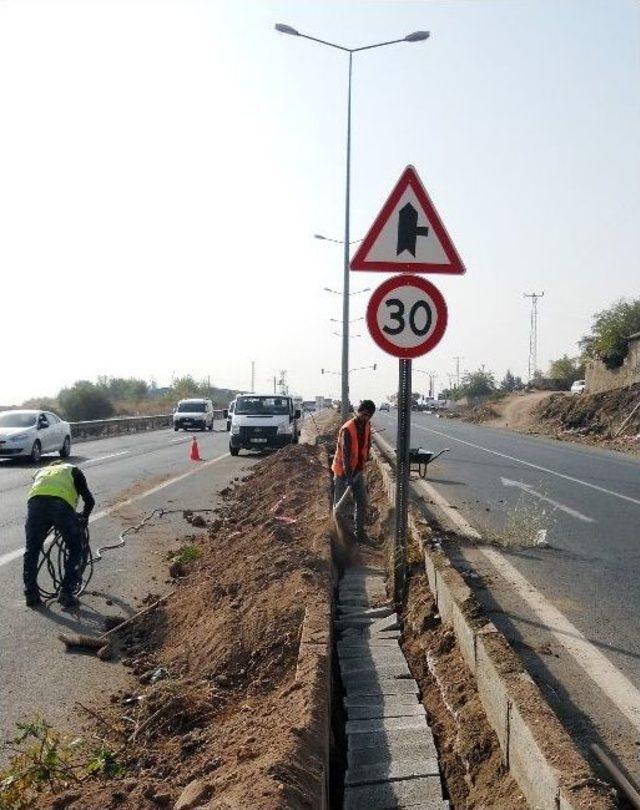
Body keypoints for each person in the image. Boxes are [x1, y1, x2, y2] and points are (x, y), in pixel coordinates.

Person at [23, 461, 95, 609]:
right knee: (76, 548)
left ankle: (31, 594)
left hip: (35, 506)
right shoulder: (73, 471)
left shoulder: (41, 472)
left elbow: (44, 496)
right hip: (61, 507)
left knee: (32, 550)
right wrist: (84, 518)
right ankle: (67, 592)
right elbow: (89, 500)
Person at [332, 400, 376, 545]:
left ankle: (360, 534)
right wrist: (348, 477)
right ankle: (341, 538)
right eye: (364, 414)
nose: (366, 418)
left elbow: (367, 444)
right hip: (342, 472)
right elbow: (345, 455)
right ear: (359, 411)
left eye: (368, 416)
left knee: (362, 502)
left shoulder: (367, 425)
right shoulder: (348, 429)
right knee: (339, 507)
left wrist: (363, 462)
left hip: (357, 471)